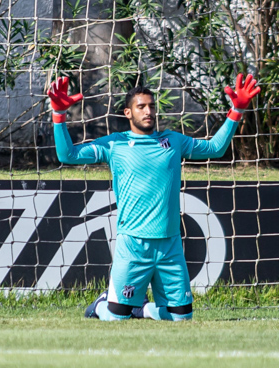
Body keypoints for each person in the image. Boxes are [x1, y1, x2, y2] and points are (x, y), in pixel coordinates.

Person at [48, 74, 259, 321]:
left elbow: (216, 149)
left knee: (182, 319)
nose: (148, 111)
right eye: (141, 107)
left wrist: (236, 110)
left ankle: (143, 309)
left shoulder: (173, 141)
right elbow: (68, 155)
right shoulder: (115, 144)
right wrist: (59, 116)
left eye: (151, 106)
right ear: (128, 113)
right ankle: (100, 305)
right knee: (117, 318)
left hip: (170, 244)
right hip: (133, 244)